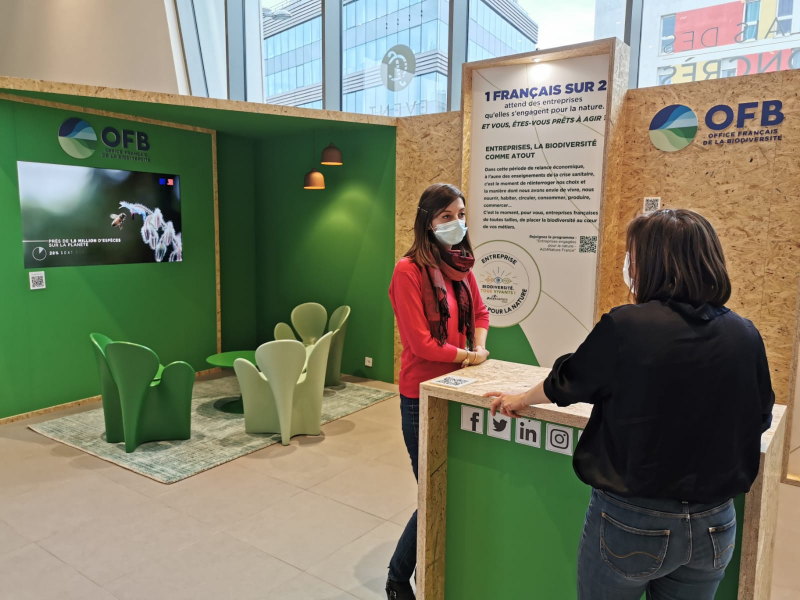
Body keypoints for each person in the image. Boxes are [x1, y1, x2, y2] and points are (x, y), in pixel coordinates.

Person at [485, 209, 774, 600]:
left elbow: (568, 381)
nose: (630, 266)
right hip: (715, 524)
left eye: (633, 256)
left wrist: (519, 399)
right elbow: (759, 416)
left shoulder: (628, 326)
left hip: (633, 520)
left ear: (652, 263)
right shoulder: (745, 334)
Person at [386, 183, 491, 599]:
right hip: (421, 395)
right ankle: (397, 579)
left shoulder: (460, 266)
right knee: (431, 493)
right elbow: (420, 344)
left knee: (448, 488)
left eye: (461, 214)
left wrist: (478, 347)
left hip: (458, 389)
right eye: (446, 217)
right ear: (427, 222)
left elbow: (480, 312)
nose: (457, 224)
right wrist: (469, 357)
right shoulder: (407, 271)